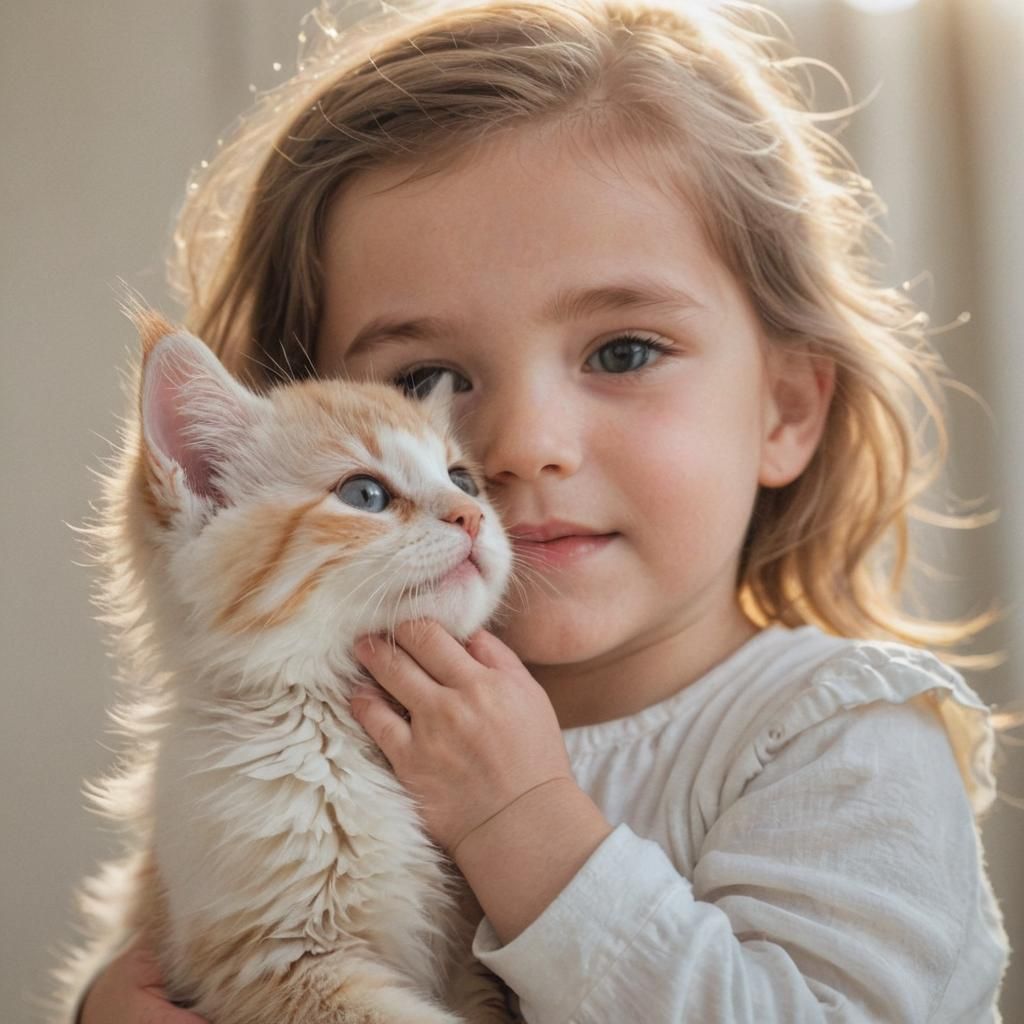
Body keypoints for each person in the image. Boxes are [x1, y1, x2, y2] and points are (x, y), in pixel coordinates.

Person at [78, 0, 1012, 1020]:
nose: (518, 446)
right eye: (430, 374)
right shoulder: (310, 749)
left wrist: (522, 821)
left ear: (784, 407)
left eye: (622, 351)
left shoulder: (848, 740)